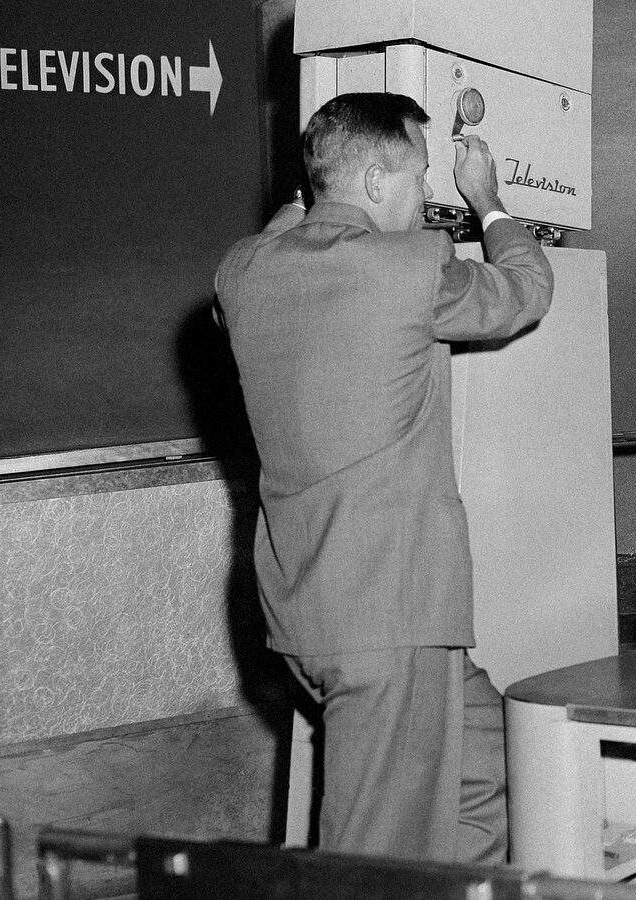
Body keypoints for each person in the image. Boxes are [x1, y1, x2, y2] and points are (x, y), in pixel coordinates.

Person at [214, 92, 555, 863]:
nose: (427, 193)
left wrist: (307, 200)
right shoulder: (409, 267)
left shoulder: (242, 274)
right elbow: (526, 293)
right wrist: (489, 202)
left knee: (493, 761)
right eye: (421, 175)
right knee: (372, 861)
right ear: (374, 182)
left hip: (318, 615)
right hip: (391, 619)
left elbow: (279, 237)